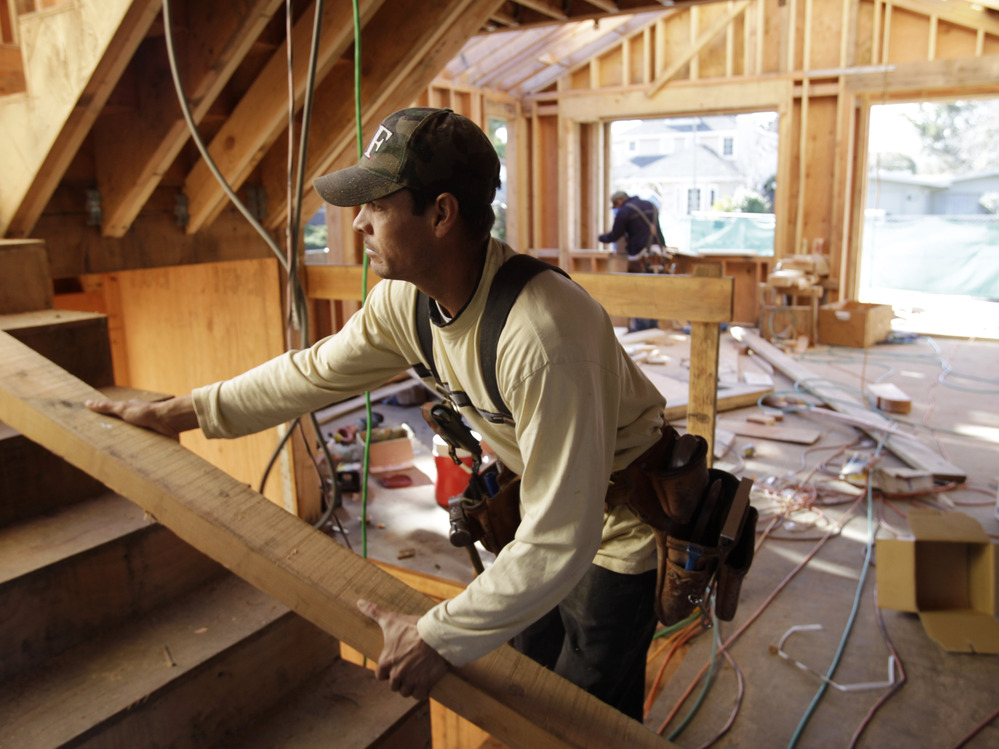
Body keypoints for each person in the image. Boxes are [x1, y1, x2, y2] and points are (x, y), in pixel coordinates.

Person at [85, 108, 666, 721]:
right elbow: (308, 373)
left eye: (378, 205)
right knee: (523, 687)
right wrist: (179, 412)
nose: (357, 221)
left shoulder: (544, 337)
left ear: (441, 214)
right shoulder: (405, 301)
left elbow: (560, 536)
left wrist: (435, 635)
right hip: (548, 514)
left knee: (583, 717)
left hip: (618, 528)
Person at [598, 191, 667, 332]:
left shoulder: (625, 211)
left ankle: (642, 329)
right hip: (659, 253)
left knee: (639, 291)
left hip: (640, 255)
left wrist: (600, 238)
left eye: (616, 206)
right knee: (653, 290)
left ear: (619, 201)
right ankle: (653, 327)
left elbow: (615, 235)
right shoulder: (650, 205)